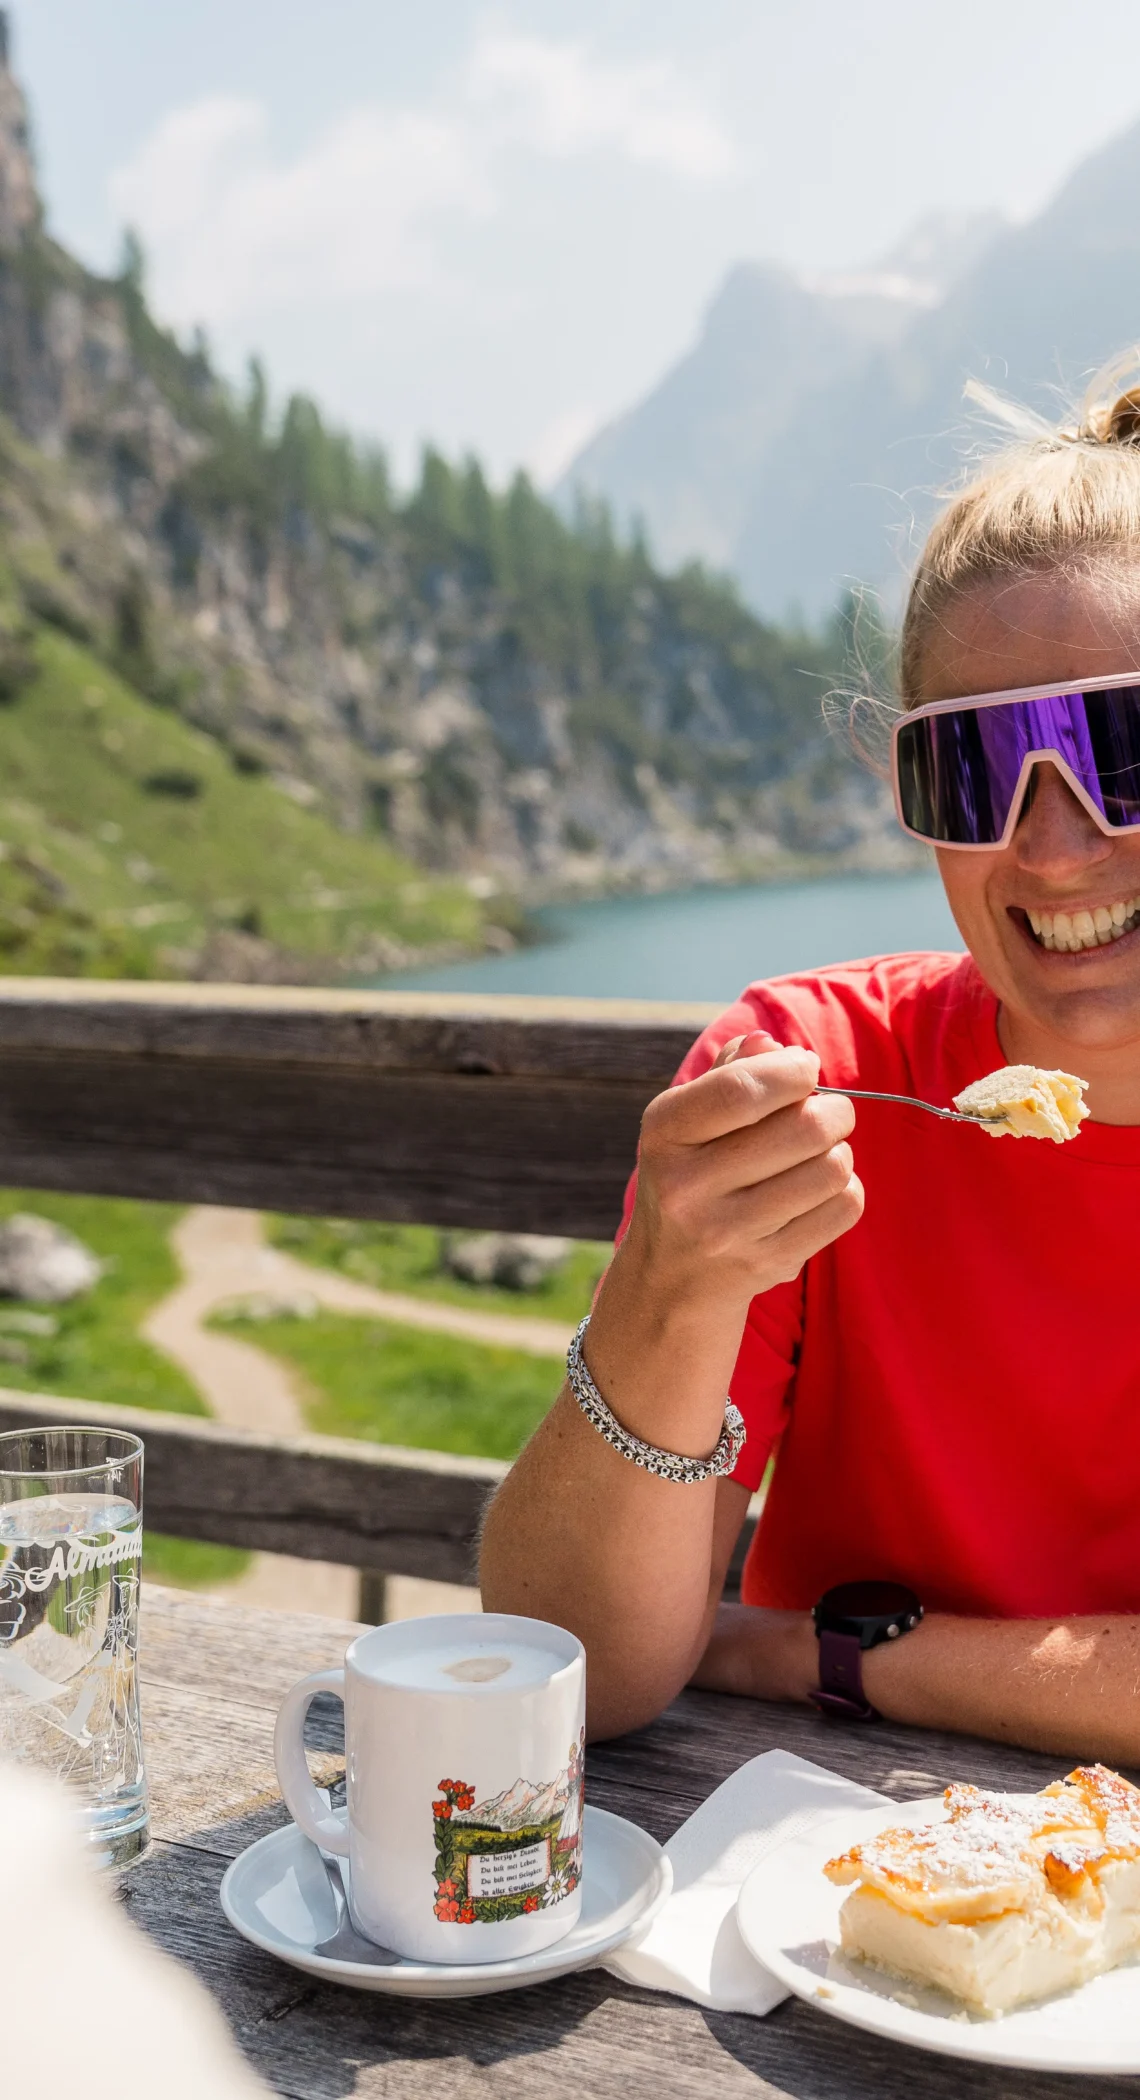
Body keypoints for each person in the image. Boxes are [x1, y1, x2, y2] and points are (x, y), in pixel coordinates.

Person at [481, 366, 1140, 1761]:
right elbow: (576, 1673)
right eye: (973, 769)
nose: (1055, 845)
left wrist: (821, 1654)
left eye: (1124, 744)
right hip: (822, 1865)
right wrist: (667, 1288)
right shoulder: (813, 1075)